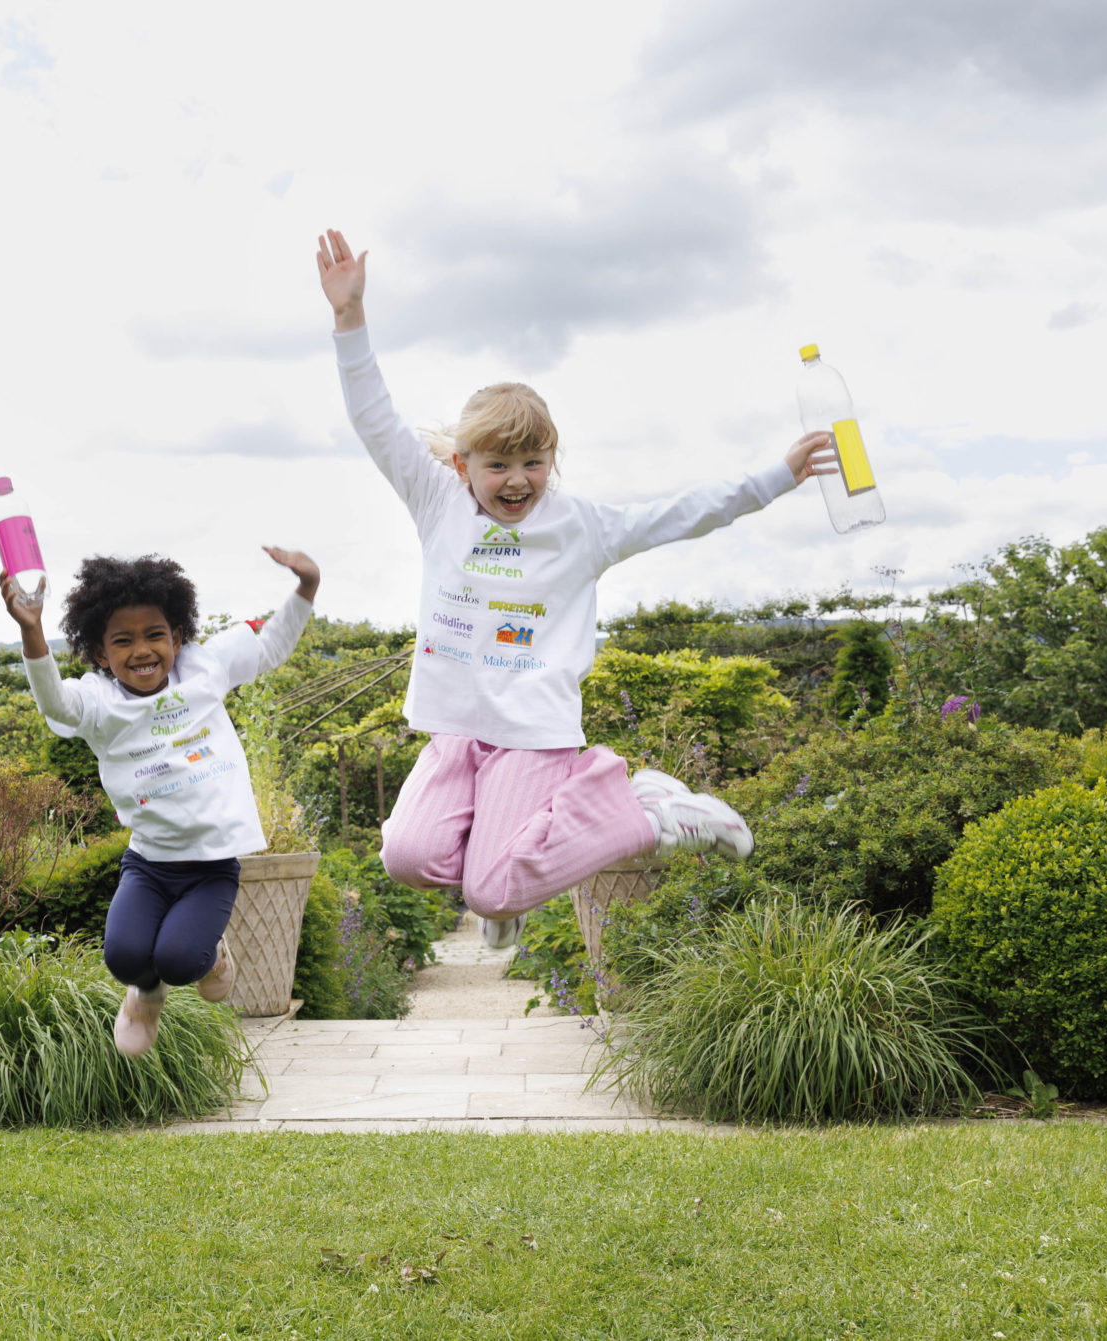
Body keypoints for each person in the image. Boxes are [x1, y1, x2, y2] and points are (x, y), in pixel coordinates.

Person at [313, 228, 837, 944]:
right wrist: (349, 317)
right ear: (464, 465)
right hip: (457, 730)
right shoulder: (437, 501)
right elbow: (374, 419)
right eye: (499, 464)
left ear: (551, 459)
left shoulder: (579, 526)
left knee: (492, 891)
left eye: (533, 461)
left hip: (534, 734)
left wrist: (774, 477)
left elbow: (680, 514)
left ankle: (647, 811)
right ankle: (510, 875)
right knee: (407, 856)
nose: (519, 479)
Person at [1, 547, 317, 1055]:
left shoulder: (203, 669)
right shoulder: (100, 702)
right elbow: (54, 702)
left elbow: (271, 648)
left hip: (211, 865)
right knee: (125, 958)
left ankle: (212, 953)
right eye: (122, 641)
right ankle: (144, 996)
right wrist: (32, 629)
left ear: (177, 637)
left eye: (154, 635)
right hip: (149, 863)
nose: (141, 650)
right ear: (101, 654)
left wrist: (306, 589)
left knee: (180, 960)